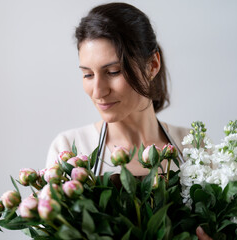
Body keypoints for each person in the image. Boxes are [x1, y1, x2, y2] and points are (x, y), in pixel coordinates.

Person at [46, 3, 212, 240]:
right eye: (87, 74)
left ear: (152, 65)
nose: (98, 91)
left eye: (113, 71)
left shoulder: (196, 147)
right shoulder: (69, 150)